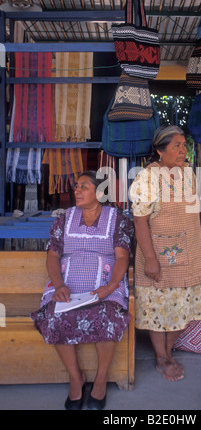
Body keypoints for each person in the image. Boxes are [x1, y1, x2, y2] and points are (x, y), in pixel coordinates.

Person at [31, 170, 134, 410]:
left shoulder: (117, 219)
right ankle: (76, 378)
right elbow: (53, 255)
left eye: (84, 186)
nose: (77, 190)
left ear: (99, 192)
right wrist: (59, 285)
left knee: (107, 315)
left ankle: (100, 380)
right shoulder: (64, 218)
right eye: (76, 186)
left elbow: (122, 257)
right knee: (54, 315)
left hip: (105, 282)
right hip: (67, 282)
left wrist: (110, 287)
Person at [130, 125, 201, 382]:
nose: (182, 149)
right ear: (159, 151)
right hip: (160, 253)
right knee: (158, 307)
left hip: (190, 251)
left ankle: (167, 352)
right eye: (176, 145)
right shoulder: (147, 178)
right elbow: (139, 220)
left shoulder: (188, 172)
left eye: (183, 144)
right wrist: (151, 259)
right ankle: (162, 358)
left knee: (183, 305)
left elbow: (194, 206)